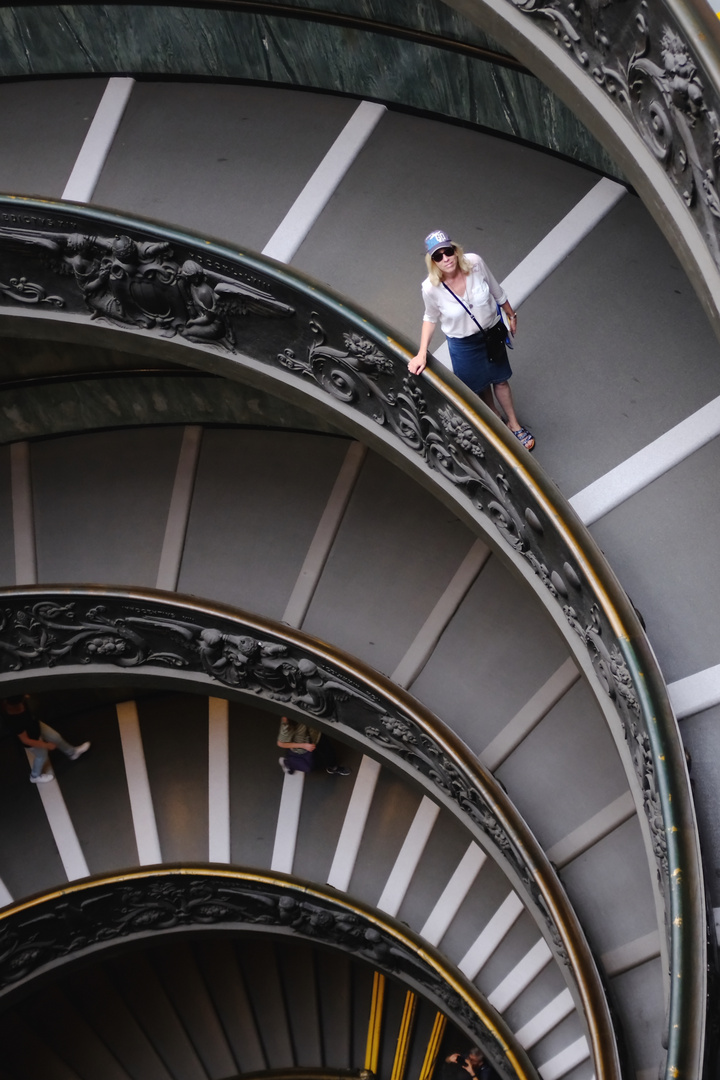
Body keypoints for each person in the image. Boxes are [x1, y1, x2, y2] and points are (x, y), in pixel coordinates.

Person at [409, 229, 534, 451]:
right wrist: (421, 352)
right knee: (480, 386)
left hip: (491, 331)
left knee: (501, 379)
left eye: (448, 252)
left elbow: (496, 290)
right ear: (433, 261)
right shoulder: (430, 288)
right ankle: (497, 422)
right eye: (438, 256)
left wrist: (511, 314)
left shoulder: (474, 263)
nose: (445, 258)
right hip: (464, 344)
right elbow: (430, 318)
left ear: (455, 251)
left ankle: (514, 424)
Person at [1, 695, 90, 784]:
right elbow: (26, 740)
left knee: (55, 737)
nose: (22, 708)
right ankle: (34, 776)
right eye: (19, 707)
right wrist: (46, 745)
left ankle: (72, 753)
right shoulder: (13, 721)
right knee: (42, 756)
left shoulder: (19, 701)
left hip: (35, 725)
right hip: (31, 739)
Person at [277, 715, 350, 776]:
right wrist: (304, 746)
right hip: (304, 747)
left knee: (329, 751)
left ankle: (333, 767)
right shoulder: (287, 724)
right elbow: (281, 743)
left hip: (316, 735)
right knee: (311, 766)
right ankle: (288, 763)